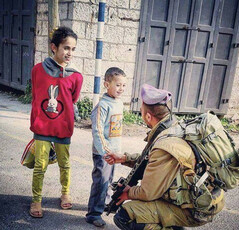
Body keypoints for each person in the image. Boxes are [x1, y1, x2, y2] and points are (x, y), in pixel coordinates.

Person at [104, 84, 224, 230]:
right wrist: (125, 158)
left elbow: (147, 192)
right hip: (203, 198)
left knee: (126, 215)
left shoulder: (165, 144)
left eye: (141, 110)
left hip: (196, 209)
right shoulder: (174, 127)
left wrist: (128, 193)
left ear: (148, 116)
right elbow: (150, 160)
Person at [29, 26, 83, 218]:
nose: (70, 53)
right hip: (43, 126)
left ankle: (65, 193)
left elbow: (73, 99)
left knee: (64, 163)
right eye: (66, 48)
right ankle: (36, 200)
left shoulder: (76, 76)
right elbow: (36, 95)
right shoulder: (38, 70)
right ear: (54, 47)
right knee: (40, 165)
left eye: (73, 49)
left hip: (63, 126)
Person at [85, 67, 127, 227]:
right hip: (103, 153)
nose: (121, 89)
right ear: (106, 84)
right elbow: (97, 130)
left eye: (123, 85)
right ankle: (93, 214)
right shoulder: (102, 105)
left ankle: (106, 204)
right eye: (117, 85)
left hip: (114, 152)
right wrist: (105, 151)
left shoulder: (119, 103)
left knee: (109, 181)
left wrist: (116, 151)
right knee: (101, 181)